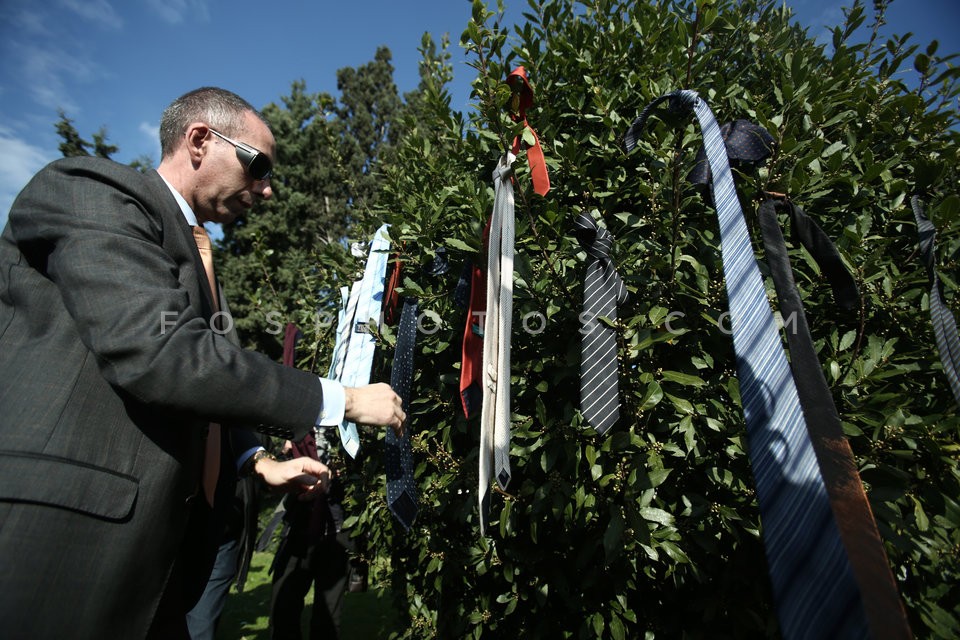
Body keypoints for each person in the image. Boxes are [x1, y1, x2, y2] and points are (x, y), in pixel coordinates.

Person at [0, 87, 405, 640]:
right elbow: (164, 355)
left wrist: (256, 461)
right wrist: (345, 399)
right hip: (69, 547)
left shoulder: (196, 254)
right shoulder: (92, 193)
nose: (266, 188)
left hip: (171, 556)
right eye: (258, 165)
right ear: (198, 141)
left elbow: (208, 384)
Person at [269, 432, 353, 640]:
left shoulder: (350, 425)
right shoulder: (296, 419)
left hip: (337, 528)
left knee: (327, 619)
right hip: (299, 526)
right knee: (283, 610)